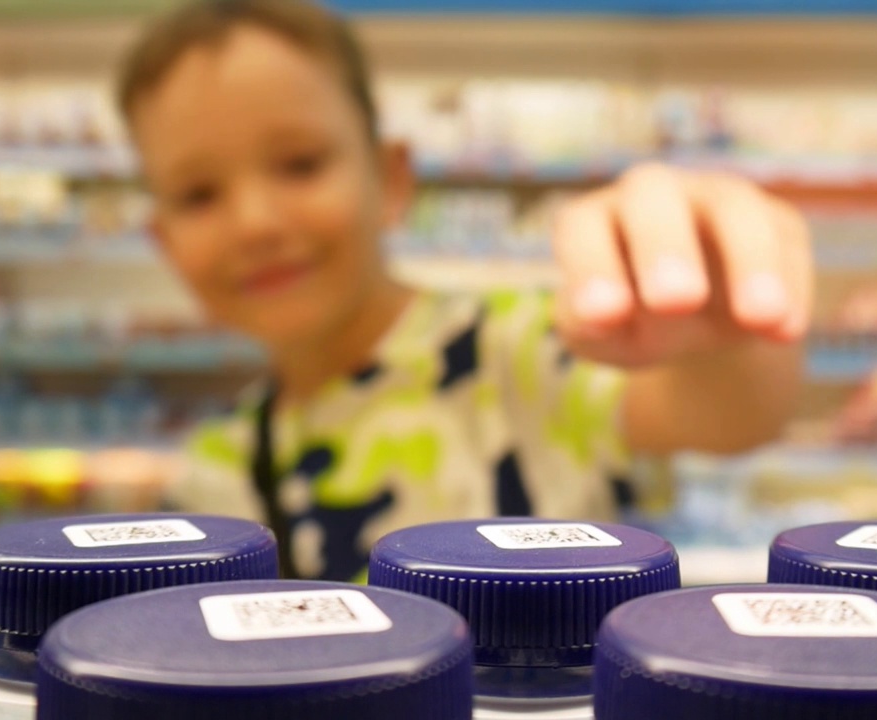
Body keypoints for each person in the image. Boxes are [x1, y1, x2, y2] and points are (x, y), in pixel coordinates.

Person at [116, 0, 813, 580]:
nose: (256, 223)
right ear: (165, 242)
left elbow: (733, 413)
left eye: (300, 164)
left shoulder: (526, 349)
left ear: (390, 181)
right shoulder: (215, 477)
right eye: (198, 193)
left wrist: (721, 309)